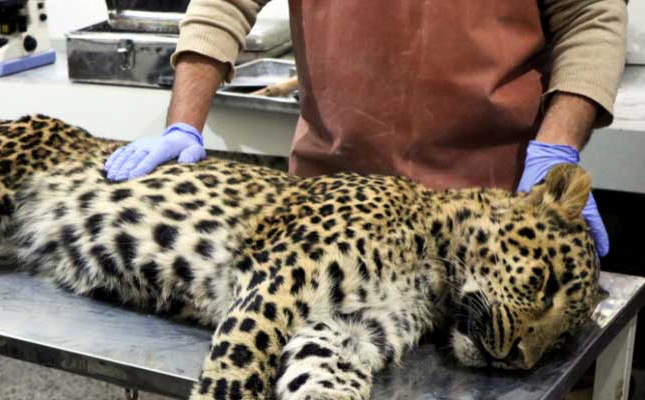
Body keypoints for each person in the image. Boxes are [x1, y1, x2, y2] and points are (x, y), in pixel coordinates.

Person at [105, 0, 628, 257]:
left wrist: (557, 145)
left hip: (494, 211)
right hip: (332, 209)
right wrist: (183, 127)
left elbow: (591, 17)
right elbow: (223, 4)